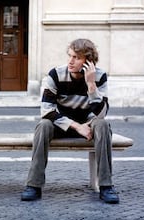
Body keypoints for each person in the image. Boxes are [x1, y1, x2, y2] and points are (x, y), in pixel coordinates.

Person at [20, 38, 119, 204]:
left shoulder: (99, 76)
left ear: (89, 63)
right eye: (70, 56)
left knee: (102, 125)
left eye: (77, 58)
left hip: (89, 125)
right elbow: (47, 111)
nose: (70, 62)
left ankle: (106, 186)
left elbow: (101, 114)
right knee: (43, 125)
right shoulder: (55, 75)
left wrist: (91, 85)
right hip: (61, 124)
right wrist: (76, 127)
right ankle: (34, 185)